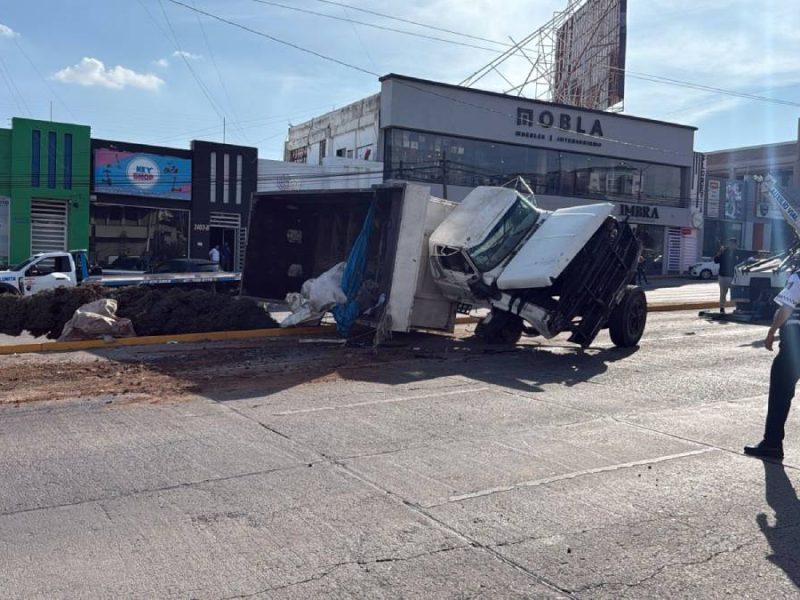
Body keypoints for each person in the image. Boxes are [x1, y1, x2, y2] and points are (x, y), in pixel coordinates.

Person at [744, 271, 800, 459]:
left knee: (780, 395)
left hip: (795, 346)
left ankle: (772, 443)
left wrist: (771, 331)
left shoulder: (798, 277)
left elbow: (786, 308)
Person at [714, 237, 738, 314]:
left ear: (736, 245)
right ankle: (722, 308)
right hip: (723, 276)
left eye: (733, 244)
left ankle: (737, 307)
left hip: (733, 276)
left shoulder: (737, 252)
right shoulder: (723, 251)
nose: (731, 245)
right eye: (730, 243)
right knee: (723, 293)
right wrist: (719, 253)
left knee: (735, 292)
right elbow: (716, 261)